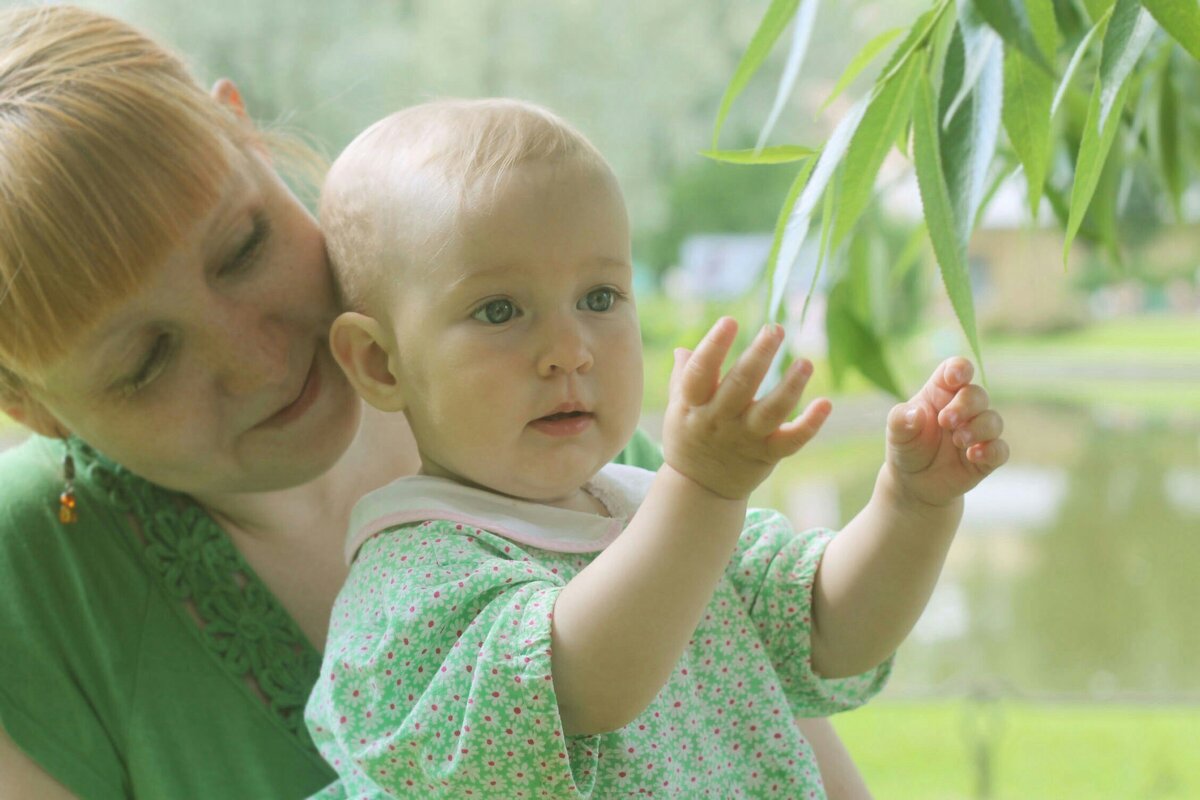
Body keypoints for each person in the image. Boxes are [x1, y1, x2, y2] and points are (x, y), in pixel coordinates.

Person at [0, 6, 884, 798]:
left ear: (248, 137)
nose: (258, 357)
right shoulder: (33, 575)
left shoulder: (553, 434)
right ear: (32, 405)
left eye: (242, 247)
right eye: (147, 361)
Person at [303, 99, 1009, 798]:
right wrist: (702, 492)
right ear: (380, 363)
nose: (568, 350)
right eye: (499, 310)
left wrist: (912, 506)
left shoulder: (646, 509)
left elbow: (833, 633)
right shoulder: (414, 577)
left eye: (601, 298)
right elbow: (584, 683)